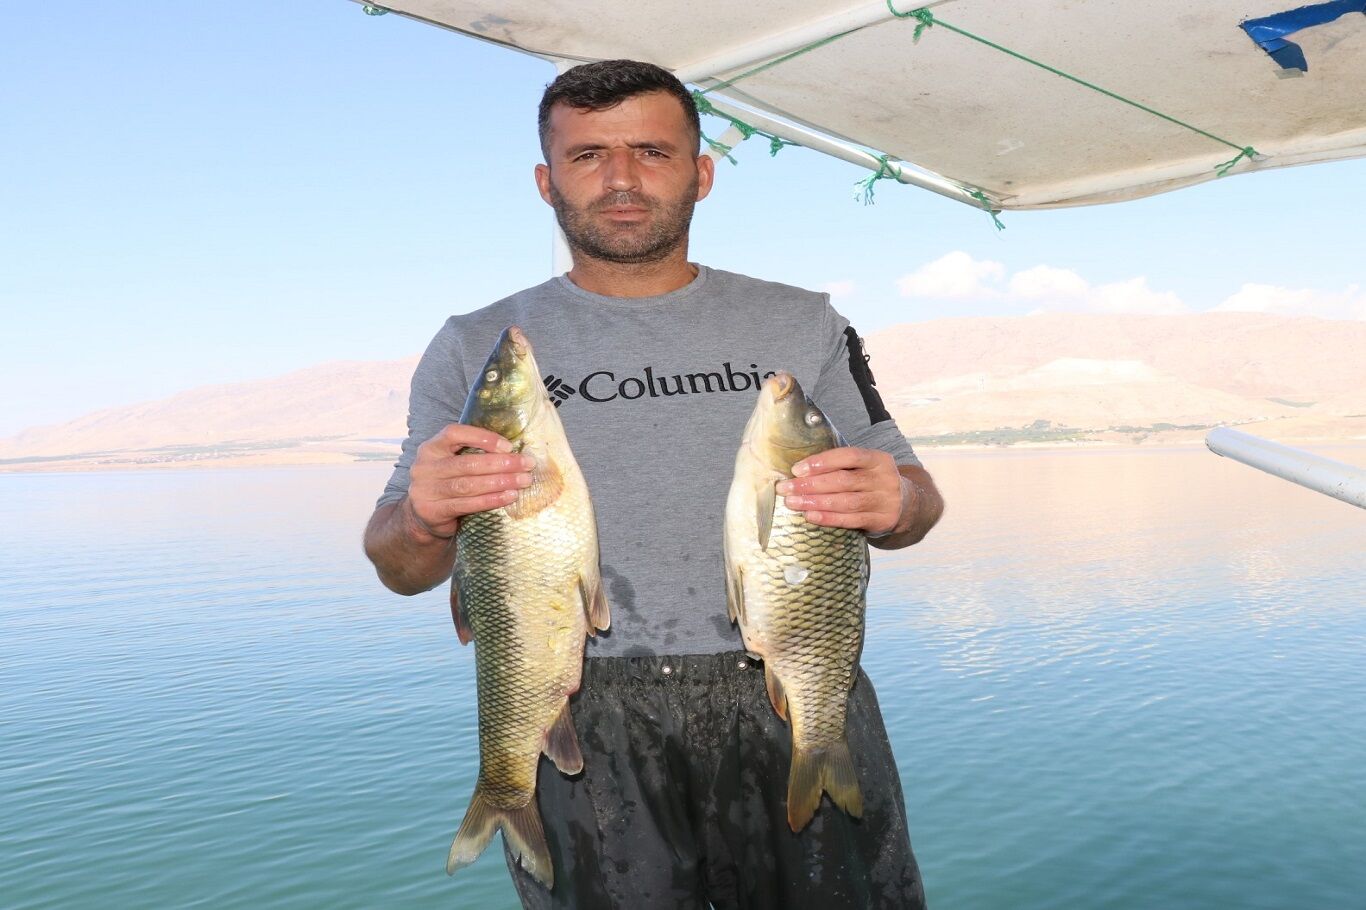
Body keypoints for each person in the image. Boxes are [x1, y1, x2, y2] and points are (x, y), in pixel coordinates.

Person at [363, 59, 944, 910]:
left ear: (701, 174)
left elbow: (916, 499)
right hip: (578, 708)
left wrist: (899, 502)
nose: (622, 179)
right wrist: (423, 518)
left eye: (651, 151)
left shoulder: (804, 321)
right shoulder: (474, 345)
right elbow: (398, 566)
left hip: (791, 689)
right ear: (546, 182)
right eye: (588, 155)